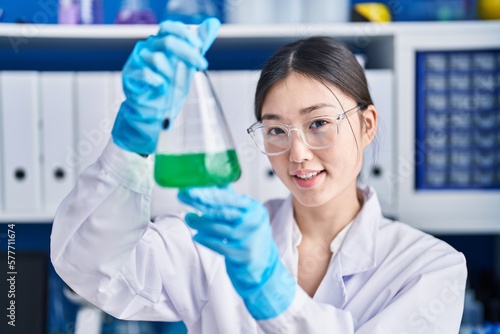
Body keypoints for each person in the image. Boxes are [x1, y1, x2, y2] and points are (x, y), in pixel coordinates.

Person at [51, 18, 467, 333]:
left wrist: (274, 295)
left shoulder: (428, 268)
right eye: (276, 130)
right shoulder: (217, 242)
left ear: (367, 124)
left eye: (319, 123)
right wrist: (132, 140)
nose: (298, 153)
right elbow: (94, 269)